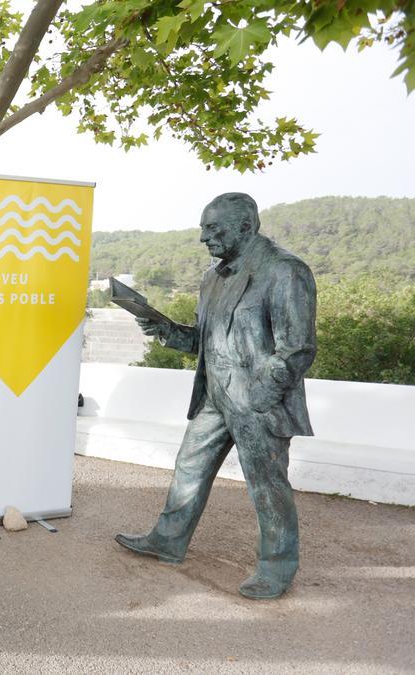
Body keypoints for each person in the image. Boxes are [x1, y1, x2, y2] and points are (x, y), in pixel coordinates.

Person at [115, 193, 317, 600]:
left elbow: (297, 348)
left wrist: (259, 396)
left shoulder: (284, 271)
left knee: (266, 483)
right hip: (215, 394)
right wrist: (169, 331)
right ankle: (167, 541)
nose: (204, 238)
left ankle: (277, 568)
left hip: (258, 400)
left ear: (246, 226)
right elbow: (206, 340)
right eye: (203, 229)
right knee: (189, 465)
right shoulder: (213, 277)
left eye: (213, 229)